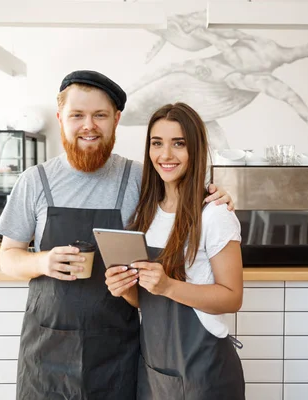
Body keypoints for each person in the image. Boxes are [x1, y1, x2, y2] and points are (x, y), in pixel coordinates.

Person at [0, 71, 234, 400]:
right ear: (60, 118)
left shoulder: (139, 179)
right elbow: (8, 258)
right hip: (47, 351)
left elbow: (178, 191)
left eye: (100, 115)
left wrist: (215, 193)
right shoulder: (34, 181)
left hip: (117, 352)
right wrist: (43, 261)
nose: (88, 126)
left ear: (116, 120)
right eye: (77, 115)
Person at [105, 102, 245, 400]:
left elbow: (232, 298)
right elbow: (146, 301)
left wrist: (168, 285)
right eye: (157, 143)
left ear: (195, 149)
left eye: (178, 144)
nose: (165, 155)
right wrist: (126, 289)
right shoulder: (145, 214)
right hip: (156, 371)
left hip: (205, 374)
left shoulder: (215, 214)